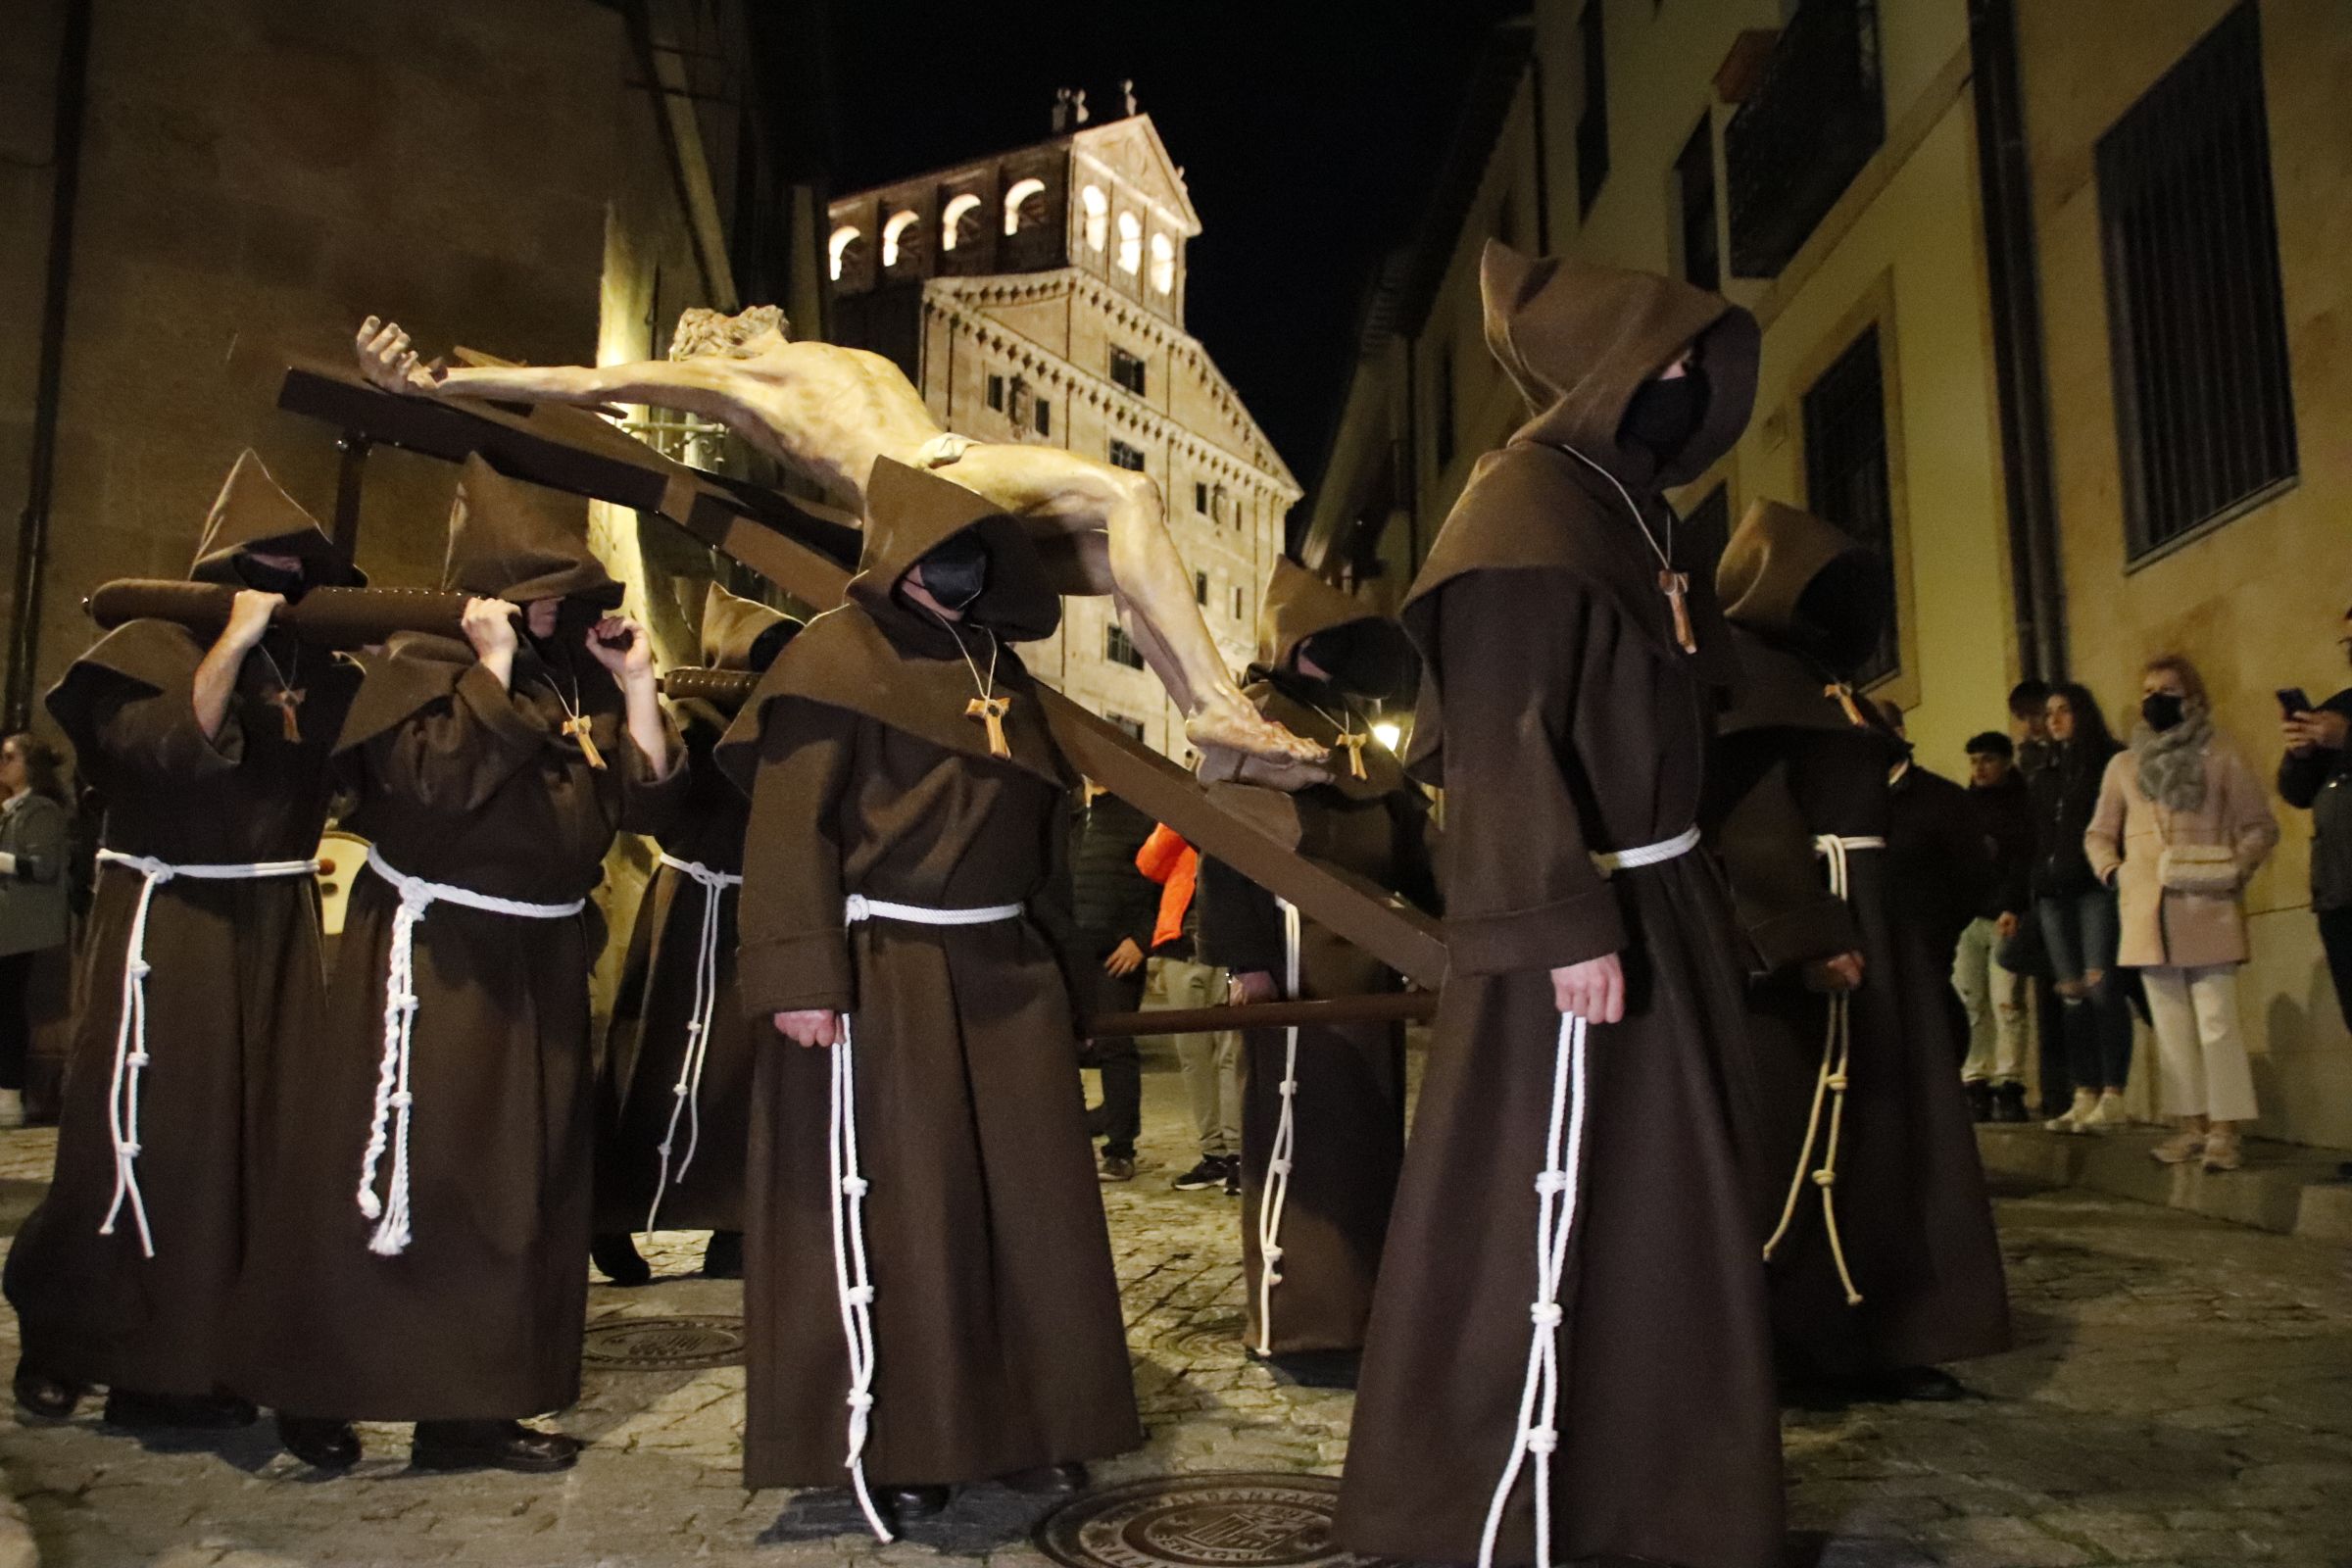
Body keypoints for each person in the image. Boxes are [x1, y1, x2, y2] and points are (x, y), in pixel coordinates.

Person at [1337, 242, 1784, 1568]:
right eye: (1669, 357)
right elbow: (1502, 742)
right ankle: (1503, 1494)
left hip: (1661, 903)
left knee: (1661, 1212)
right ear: (1599, 367)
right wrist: (1561, 927)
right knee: (1552, 1198)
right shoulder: (1525, 516)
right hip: (1584, 929)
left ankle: (1654, 1487)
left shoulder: (1623, 511)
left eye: (1699, 360)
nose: (1691, 378)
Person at [233, 456, 682, 1475]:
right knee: (397, 1177)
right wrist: (486, 670)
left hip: (540, 959)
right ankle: (317, 1383)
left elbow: (650, 807)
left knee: (518, 1189)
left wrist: (641, 687)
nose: (558, 615)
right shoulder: (415, 666)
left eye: (569, 598)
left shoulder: (580, 684)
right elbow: (428, 792)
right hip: (433, 962)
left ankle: (474, 1406)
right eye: (540, 598)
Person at [716, 458, 1140, 1535]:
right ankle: (908, 1437)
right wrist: (802, 977)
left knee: (1030, 1208)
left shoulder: (996, 666)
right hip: (886, 972)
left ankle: (1034, 1421)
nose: (957, 575)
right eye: (942, 553)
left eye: (976, 559)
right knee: (911, 1209)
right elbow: (788, 829)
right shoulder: (830, 658)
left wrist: (1071, 976)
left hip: (1005, 972)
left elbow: (1043, 840)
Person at [352, 311, 1319, 773]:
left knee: (1118, 556)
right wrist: (439, 386)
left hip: (954, 465)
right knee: (1130, 489)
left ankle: (1217, 730)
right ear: (712, 347)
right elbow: (585, 385)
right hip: (929, 483)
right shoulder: (744, 382)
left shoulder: (802, 356)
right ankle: (1214, 709)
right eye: (721, 324)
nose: (743, 316)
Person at [5, 452, 365, 1430]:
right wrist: (237, 641)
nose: (286, 591)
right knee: (151, 1135)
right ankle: (90, 1338)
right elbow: (171, 747)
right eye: (267, 572)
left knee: (276, 1145)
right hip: (174, 928)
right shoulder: (146, 647)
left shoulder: (320, 674)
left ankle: (262, 1358)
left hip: (279, 930)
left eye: (301, 577)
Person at [1708, 500, 2010, 1405]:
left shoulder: (1818, 681)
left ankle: (1881, 1330)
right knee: (1800, 1135)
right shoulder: (1751, 680)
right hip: (1817, 933)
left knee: (1886, 1136)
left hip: (1873, 921)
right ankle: (1792, 1340)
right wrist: (1808, 937)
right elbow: (1752, 822)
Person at [1196, 561, 1434, 1376]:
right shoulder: (1254, 722)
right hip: (1295, 955)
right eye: (1320, 641)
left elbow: (1415, 847)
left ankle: (1366, 1311)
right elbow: (1226, 855)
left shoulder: (1362, 741)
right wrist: (1250, 959)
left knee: (1367, 1138)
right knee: (1300, 1138)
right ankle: (1300, 1321)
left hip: (1370, 960)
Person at [592, 583, 801, 1286]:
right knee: (650, 1065)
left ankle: (733, 1218)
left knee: (742, 1078)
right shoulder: (691, 719)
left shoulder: (794, 730)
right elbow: (657, 798)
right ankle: (611, 1212)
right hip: (688, 919)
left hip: (757, 919)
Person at [2087, 657, 2278, 1172]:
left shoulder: (2222, 756)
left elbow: (2260, 825)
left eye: (2167, 690)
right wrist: (2115, 872)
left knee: (2216, 1022)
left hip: (2208, 904)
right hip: (2148, 912)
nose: (2155, 700)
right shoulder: (2124, 766)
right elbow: (2099, 832)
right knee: (2169, 1026)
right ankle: (2190, 1125)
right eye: (2148, 690)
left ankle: (2226, 1128)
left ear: (2191, 696)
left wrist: (2234, 867)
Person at [2033, 683, 2132, 1133]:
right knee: (2071, 995)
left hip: (2094, 887)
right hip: (2054, 894)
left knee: (2103, 986)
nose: (2054, 720)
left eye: (2064, 710)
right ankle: (2083, 1092)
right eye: (2049, 713)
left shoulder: (2108, 761)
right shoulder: (2045, 770)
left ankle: (2113, 1094)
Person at [1137, 822, 1243, 1196]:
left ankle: (1238, 1154)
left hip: (1230, 948)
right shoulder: (1180, 832)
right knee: (1193, 1055)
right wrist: (1176, 819)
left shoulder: (1237, 819)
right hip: (1181, 949)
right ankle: (1213, 1151)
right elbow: (1148, 864)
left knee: (1232, 1053)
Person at [1069, 780, 1160, 1182]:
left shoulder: (1139, 816)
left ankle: (1120, 1149)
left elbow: (1168, 886)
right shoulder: (1068, 815)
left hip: (1115, 956)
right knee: (1056, 1045)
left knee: (1114, 1045)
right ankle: (1068, 1137)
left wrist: (1142, 941)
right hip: (1067, 951)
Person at [1954, 732, 2036, 1123]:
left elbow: (2024, 859)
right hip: (1967, 916)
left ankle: (2010, 1082)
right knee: (1972, 1002)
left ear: (2006, 761)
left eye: (1987, 760)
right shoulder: (1962, 807)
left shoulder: (2022, 805)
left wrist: (2013, 904)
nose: (1979, 769)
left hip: (2005, 915)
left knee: (2008, 1003)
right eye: (1974, 761)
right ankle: (1975, 1079)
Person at [2277, 611, 2352, 1036]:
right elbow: (2296, 792)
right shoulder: (2339, 707)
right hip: (2340, 893)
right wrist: (2300, 756)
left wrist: (2348, 739)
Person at [0, 735, 71, 1130]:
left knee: (8, 1007)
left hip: (17, 929)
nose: (3, 763)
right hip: (6, 925)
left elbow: (41, 867)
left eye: (11, 757)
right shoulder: (11, 810)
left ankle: (9, 1096)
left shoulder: (41, 811)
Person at [2010, 678, 2055, 778]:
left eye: (2035, 714)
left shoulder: (2068, 753)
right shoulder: (2024, 755)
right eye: (2021, 717)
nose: (2029, 724)